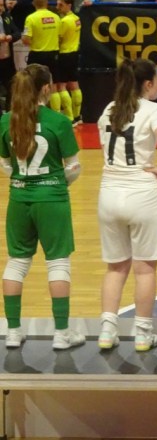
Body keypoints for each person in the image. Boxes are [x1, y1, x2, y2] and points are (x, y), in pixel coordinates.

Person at [0, 64, 83, 350]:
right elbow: (73, 167)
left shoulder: (6, 120)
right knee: (58, 263)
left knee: (16, 263)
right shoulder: (58, 122)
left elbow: (5, 165)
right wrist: (56, 184)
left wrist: (23, 181)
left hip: (19, 198)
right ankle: (61, 334)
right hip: (53, 200)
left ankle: (13, 332)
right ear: (47, 88)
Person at [97, 58, 157, 352]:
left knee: (115, 268)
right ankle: (142, 334)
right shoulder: (153, 109)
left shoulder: (109, 109)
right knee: (144, 269)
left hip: (109, 192)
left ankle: (107, 331)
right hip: (141, 192)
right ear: (147, 84)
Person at [53, 0, 81, 123]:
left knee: (61, 86)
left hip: (64, 54)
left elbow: (59, 38)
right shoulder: (77, 19)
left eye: (61, 5)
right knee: (74, 84)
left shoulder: (64, 21)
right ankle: (77, 115)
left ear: (69, 5)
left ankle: (69, 118)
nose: (57, 7)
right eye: (57, 4)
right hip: (74, 54)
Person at [22, 0, 59, 74]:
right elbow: (60, 36)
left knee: (33, 79)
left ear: (33, 3)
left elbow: (25, 39)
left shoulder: (30, 18)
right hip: (53, 55)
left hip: (37, 55)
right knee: (52, 79)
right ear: (47, 3)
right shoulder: (56, 17)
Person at [0, 0, 19, 108]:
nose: (1, 8)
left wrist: (11, 37)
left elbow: (17, 32)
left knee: (12, 86)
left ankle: (9, 111)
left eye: (2, 5)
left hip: (7, 59)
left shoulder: (6, 16)